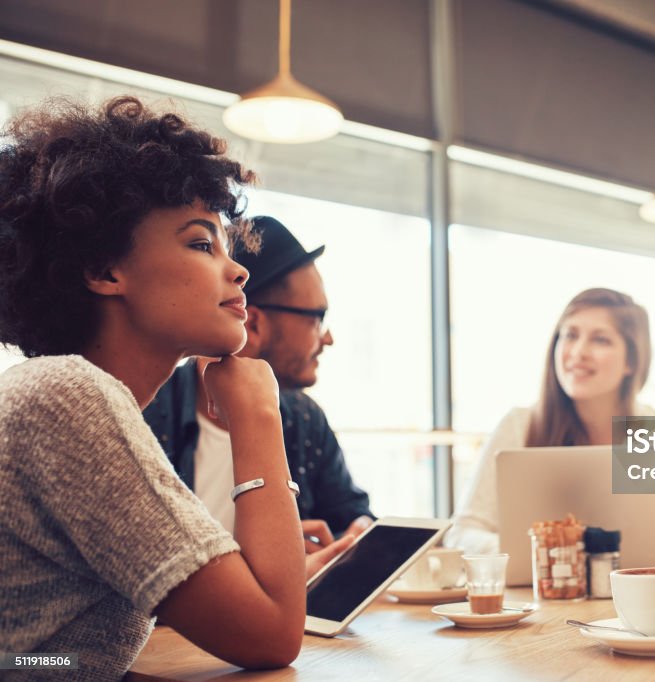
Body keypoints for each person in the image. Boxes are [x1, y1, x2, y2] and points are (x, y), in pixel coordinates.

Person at [0, 96, 351, 677]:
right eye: (200, 243)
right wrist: (259, 415)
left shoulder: (78, 396)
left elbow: (49, 657)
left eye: (227, 247)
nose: (237, 270)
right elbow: (272, 636)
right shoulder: (64, 397)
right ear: (104, 270)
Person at [446, 288, 655, 562]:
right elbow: (462, 533)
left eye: (600, 340)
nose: (578, 352)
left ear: (631, 362)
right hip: (542, 606)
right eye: (570, 335)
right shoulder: (519, 425)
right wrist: (530, 554)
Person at [144, 216, 374, 552]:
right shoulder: (148, 413)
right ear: (254, 322)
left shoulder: (304, 418)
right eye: (317, 318)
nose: (328, 337)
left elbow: (353, 516)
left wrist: (352, 539)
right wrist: (274, 560)